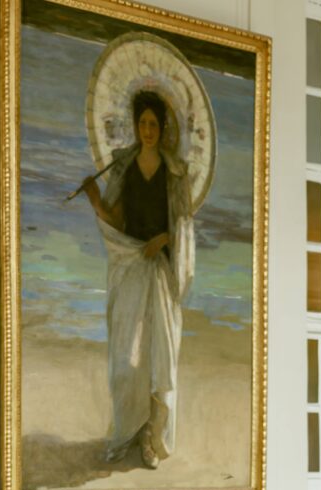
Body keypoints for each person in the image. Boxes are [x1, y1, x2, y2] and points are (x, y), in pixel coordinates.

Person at [82, 90, 195, 469]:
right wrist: (95, 200)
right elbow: (117, 220)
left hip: (160, 271)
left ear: (163, 128)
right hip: (132, 268)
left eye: (153, 124)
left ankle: (150, 439)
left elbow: (183, 227)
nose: (147, 130)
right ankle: (126, 431)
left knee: (159, 357)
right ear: (135, 125)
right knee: (127, 359)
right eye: (142, 123)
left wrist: (164, 239)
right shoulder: (124, 167)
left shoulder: (175, 173)